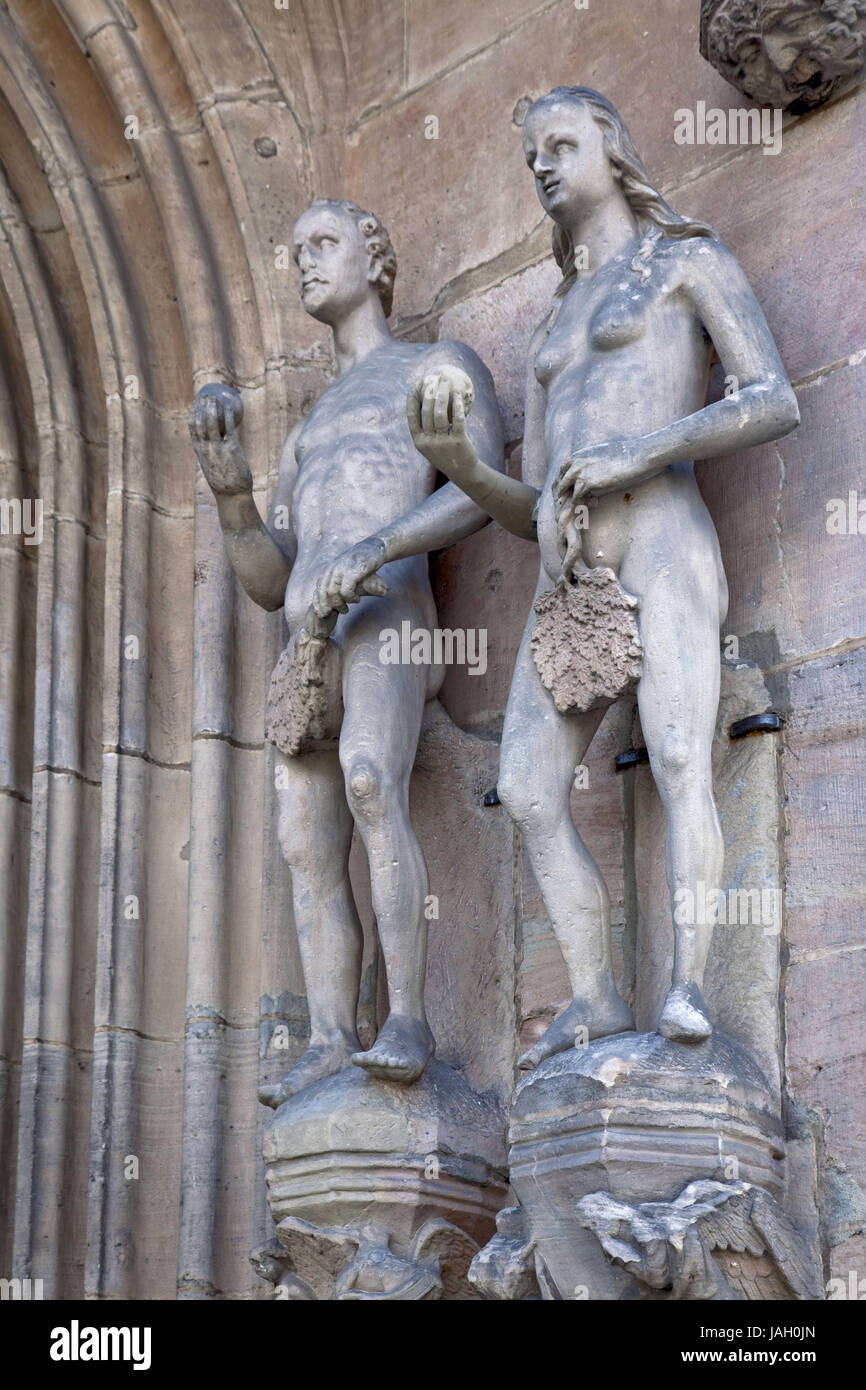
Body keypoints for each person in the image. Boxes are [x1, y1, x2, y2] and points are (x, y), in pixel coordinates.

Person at [408, 88, 799, 1065]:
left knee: (676, 759)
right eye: (530, 153)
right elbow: (531, 495)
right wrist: (462, 467)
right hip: (565, 568)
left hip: (662, 530)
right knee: (527, 787)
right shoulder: (551, 324)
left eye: (560, 144)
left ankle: (689, 983)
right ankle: (593, 995)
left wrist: (642, 451)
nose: (541, 165)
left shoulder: (683, 261)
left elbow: (770, 396)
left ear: (610, 148)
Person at [189, 198, 504, 1102]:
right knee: (302, 840)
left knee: (369, 780)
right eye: (294, 253)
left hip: (389, 615)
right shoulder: (310, 425)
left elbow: (481, 490)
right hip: (304, 636)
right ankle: (331, 1033)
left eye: (322, 245)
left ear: (375, 256)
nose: (303, 264)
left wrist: (380, 547)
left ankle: (406, 1013)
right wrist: (232, 499)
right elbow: (264, 575)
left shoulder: (434, 366)